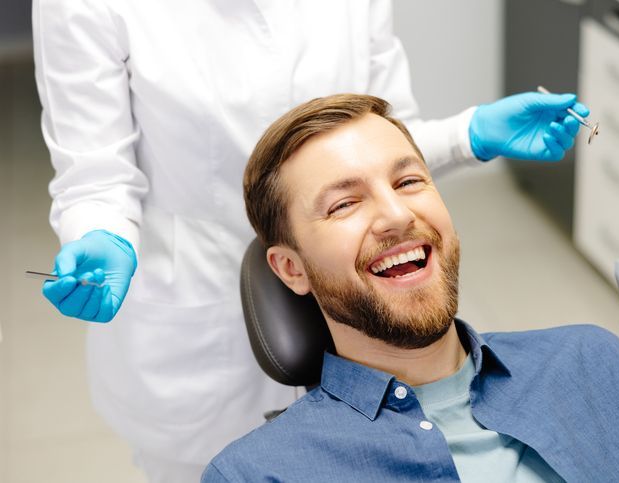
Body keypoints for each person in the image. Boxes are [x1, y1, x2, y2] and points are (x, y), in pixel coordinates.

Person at [32, 0, 588, 480]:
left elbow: (376, 141)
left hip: (349, 310)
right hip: (199, 324)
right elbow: (96, 172)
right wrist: (101, 233)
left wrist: (468, 134)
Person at [202, 93, 619, 482]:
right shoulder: (256, 475)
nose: (396, 214)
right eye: (344, 204)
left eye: (409, 182)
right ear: (291, 268)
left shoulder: (593, 359)